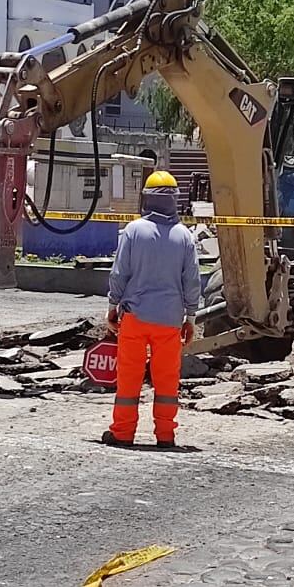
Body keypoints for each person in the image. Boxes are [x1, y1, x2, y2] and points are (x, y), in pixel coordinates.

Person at [103, 170, 200, 448]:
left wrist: (113, 305)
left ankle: (122, 433)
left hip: (134, 317)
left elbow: (120, 272)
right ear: (175, 200)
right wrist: (190, 317)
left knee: (129, 378)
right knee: (167, 381)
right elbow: (192, 280)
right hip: (170, 320)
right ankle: (166, 435)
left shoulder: (134, 230)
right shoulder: (184, 236)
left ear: (146, 198)